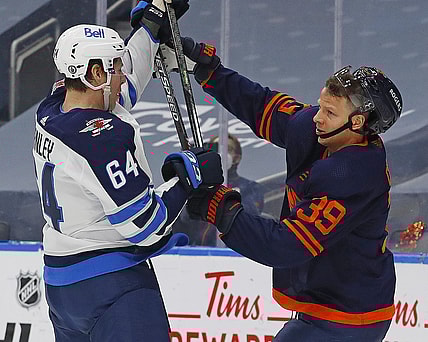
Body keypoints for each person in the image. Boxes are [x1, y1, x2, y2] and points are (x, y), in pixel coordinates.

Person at [181, 37, 402, 341]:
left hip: (351, 317)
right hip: (323, 302)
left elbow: (284, 246)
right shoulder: (319, 128)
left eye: (330, 113)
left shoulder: (354, 175)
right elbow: (262, 106)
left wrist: (221, 209)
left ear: (358, 122)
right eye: (321, 105)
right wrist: (212, 73)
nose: (318, 118)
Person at [32, 1, 225, 341]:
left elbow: (123, 87)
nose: (122, 75)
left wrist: (149, 30)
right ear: (95, 74)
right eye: (115, 68)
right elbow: (144, 225)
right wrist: (188, 175)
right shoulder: (99, 141)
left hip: (63, 290)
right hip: (111, 286)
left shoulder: (54, 105)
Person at [174, 134, 265, 246]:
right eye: (216, 148)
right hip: (197, 251)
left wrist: (230, 198)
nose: (222, 153)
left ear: (237, 157)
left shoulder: (251, 187)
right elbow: (184, 219)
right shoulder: (199, 185)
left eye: (228, 149)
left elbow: (252, 215)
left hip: (236, 252)